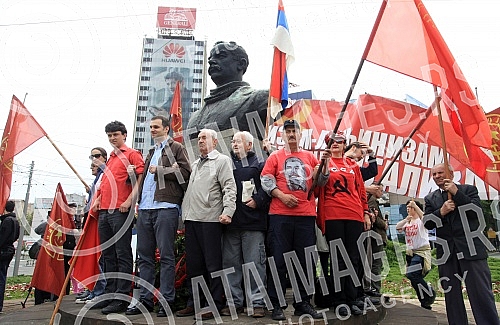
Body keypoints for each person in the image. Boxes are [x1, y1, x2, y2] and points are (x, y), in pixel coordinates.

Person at [126, 116, 191, 317]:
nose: (152, 130)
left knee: (166, 256)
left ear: (166, 128)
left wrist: (160, 170)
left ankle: (166, 301)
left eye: (156, 127)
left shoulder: (176, 148)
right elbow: (145, 180)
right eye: (150, 127)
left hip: (166, 207)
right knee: (144, 257)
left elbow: (185, 173)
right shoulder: (151, 151)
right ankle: (145, 300)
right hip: (145, 208)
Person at [261, 119, 325, 321]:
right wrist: (281, 195)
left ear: (300, 134)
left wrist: (324, 167)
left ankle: (303, 303)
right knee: (278, 260)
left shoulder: (311, 157)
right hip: (280, 216)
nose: (291, 134)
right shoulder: (275, 156)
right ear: (282, 135)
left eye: (294, 131)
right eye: (287, 131)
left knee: (305, 261)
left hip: (306, 217)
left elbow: (322, 181)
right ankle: (277, 304)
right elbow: (266, 180)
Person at [424, 163, 499, 325]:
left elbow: (476, 213)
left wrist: (456, 193)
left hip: (471, 250)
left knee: (481, 294)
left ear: (451, 173)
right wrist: (440, 212)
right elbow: (428, 223)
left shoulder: (468, 190)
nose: (436, 176)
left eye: (440, 172)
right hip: (447, 254)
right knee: (452, 297)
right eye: (434, 174)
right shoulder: (431, 198)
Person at [175, 128, 236, 321]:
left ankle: (214, 304)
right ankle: (194, 303)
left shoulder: (222, 161)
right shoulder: (195, 164)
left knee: (213, 265)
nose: (200, 141)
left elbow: (229, 187)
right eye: (199, 138)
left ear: (215, 142)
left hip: (210, 219)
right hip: (192, 219)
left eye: (204, 138)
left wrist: (228, 212)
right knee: (194, 265)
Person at [91, 121, 145, 314]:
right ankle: (110, 293)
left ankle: (122, 297)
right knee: (108, 254)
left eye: (115, 134)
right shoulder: (111, 158)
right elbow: (105, 183)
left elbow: (141, 177)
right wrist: (97, 200)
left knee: (122, 254)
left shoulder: (132, 154)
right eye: (109, 135)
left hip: (121, 211)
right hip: (104, 211)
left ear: (124, 135)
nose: (112, 138)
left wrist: (130, 200)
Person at [315, 131, 371, 317]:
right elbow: (317, 187)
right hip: (333, 214)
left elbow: (361, 190)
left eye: (339, 141)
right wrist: (323, 164)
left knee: (353, 257)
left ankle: (352, 297)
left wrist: (365, 212)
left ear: (345, 144)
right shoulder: (323, 163)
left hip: (354, 214)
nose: (335, 144)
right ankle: (339, 300)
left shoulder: (353, 165)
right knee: (338, 258)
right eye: (331, 141)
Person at [220, 131, 269, 318]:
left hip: (253, 222)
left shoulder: (260, 163)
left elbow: (269, 186)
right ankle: (233, 302)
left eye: (239, 141)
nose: (234, 144)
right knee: (230, 264)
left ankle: (257, 302)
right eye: (233, 141)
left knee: (255, 264)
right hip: (231, 223)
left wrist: (258, 200)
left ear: (249, 145)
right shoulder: (226, 163)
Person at [186, 41, 268, 148]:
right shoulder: (195, 115)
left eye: (221, 56)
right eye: (210, 58)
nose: (211, 61)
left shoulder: (258, 98)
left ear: (241, 64)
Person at [75, 147, 108, 304]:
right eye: (91, 157)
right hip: (91, 219)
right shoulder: (96, 180)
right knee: (91, 256)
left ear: (104, 157)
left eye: (97, 156)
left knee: (98, 257)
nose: (93, 161)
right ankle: (92, 289)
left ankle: (99, 290)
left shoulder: (106, 174)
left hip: (100, 219)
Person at [396, 200, 435, 310]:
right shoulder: (408, 221)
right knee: (413, 278)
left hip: (421, 252)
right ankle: (425, 302)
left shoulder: (421, 220)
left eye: (410, 207)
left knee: (412, 274)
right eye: (407, 207)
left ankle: (429, 293)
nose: (408, 208)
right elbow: (398, 228)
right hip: (410, 253)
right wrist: (406, 220)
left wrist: (416, 206)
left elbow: (426, 220)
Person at [363, 183, 387, 300]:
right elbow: (375, 219)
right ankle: (374, 289)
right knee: (375, 264)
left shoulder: (371, 199)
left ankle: (373, 288)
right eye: (381, 191)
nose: (381, 193)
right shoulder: (371, 200)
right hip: (375, 236)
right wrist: (384, 224)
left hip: (374, 237)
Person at [0, 201, 20, 313]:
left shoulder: (7, 221)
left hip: (3, 251)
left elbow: (2, 237)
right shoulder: (15, 221)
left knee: (1, 278)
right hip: (9, 250)